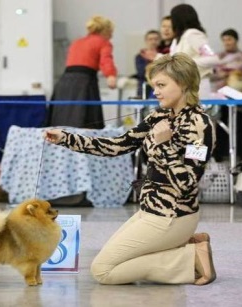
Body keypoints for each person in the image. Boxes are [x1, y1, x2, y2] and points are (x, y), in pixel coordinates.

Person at [44, 53, 217, 286]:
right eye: (154, 85)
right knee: (115, 263)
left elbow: (187, 184)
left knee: (103, 271)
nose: (155, 91)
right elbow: (117, 145)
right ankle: (188, 246)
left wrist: (164, 144)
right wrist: (66, 138)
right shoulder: (159, 116)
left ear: (184, 83)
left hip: (173, 216)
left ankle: (189, 258)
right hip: (149, 211)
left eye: (161, 85)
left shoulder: (200, 124)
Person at [47, 16, 117, 129]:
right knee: (85, 118)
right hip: (84, 82)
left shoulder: (77, 42)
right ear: (106, 30)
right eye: (111, 32)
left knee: (61, 118)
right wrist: (111, 75)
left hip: (64, 82)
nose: (111, 36)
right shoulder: (103, 42)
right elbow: (106, 60)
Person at [211, 29, 242, 161]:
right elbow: (211, 75)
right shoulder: (217, 57)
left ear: (235, 40)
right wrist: (223, 74)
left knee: (240, 125)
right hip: (221, 96)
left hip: (238, 96)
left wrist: (231, 73)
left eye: (229, 39)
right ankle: (221, 156)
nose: (227, 42)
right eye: (224, 40)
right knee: (221, 126)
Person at [169, 4, 220, 98]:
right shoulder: (177, 39)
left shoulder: (193, 35)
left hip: (198, 87)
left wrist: (186, 63)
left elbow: (213, 58)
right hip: (182, 86)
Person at [135, 30, 162, 98]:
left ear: (160, 40)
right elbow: (142, 72)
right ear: (146, 41)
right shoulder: (140, 56)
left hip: (161, 89)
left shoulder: (164, 55)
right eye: (150, 39)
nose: (153, 42)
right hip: (144, 89)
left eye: (156, 39)